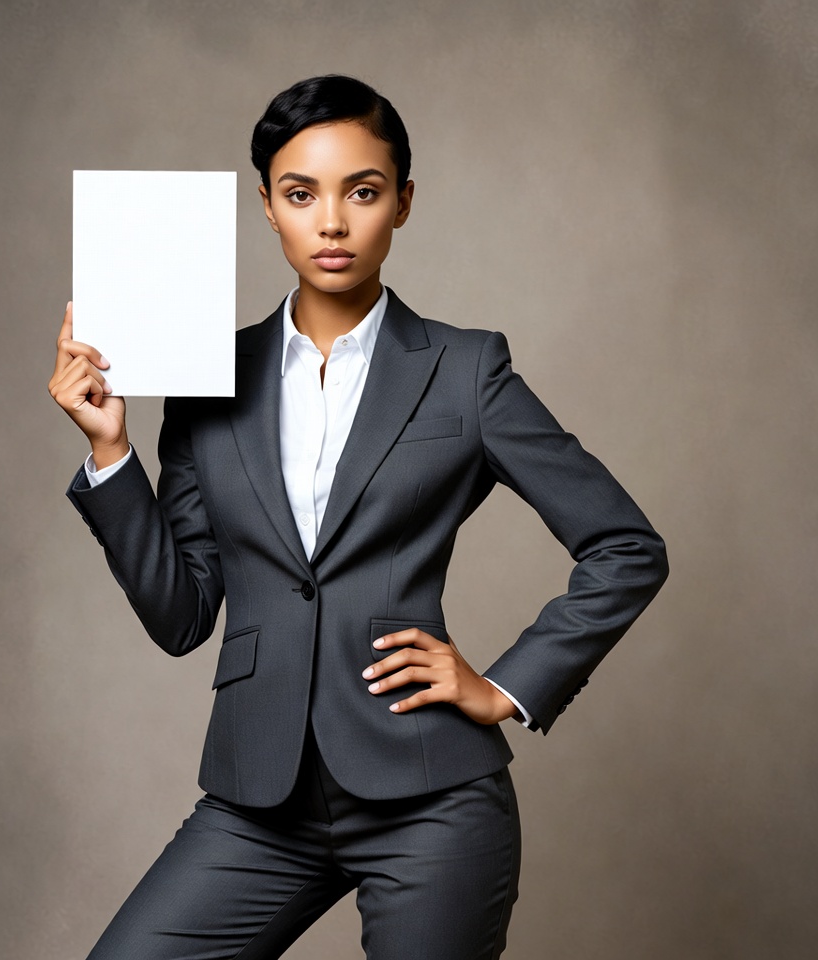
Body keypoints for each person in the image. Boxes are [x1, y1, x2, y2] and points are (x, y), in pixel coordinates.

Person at [49, 74, 668, 960]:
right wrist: (112, 454)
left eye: (362, 192)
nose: (331, 223)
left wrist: (503, 686)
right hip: (259, 802)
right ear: (267, 206)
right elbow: (183, 616)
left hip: (432, 800)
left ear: (403, 203)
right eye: (301, 195)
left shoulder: (466, 371)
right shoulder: (205, 381)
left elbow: (625, 546)